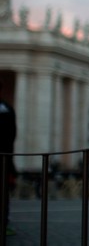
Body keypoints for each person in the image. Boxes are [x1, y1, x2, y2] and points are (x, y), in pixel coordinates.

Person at [0, 81, 17, 237]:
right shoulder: (6, 108)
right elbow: (12, 136)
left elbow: (11, 136)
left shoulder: (6, 109)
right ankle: (3, 224)